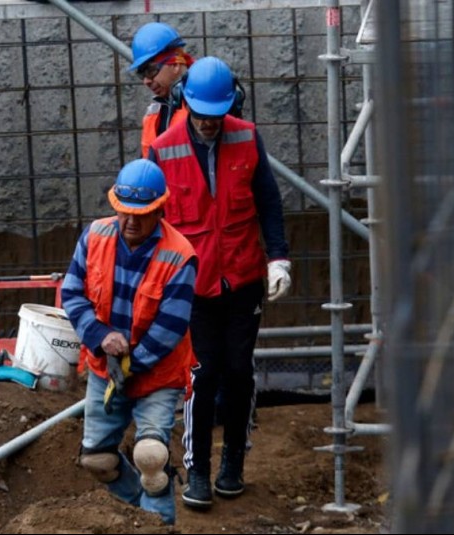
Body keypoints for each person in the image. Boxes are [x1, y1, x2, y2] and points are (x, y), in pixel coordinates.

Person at [147, 56, 292, 510]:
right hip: (192, 285)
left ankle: (233, 462)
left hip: (243, 276)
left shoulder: (247, 139)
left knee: (239, 372)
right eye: (201, 116)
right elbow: (151, 223)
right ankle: (198, 470)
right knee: (202, 374)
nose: (209, 125)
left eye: (216, 116)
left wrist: (279, 259)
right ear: (186, 104)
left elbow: (268, 201)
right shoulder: (164, 148)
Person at [60, 159, 198, 525]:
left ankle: (160, 523)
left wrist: (130, 366)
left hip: (157, 373)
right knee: (97, 459)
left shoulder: (179, 254)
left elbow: (171, 325)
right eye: (124, 212)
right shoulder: (94, 236)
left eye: (143, 213)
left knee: (151, 454)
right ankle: (142, 507)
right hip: (105, 368)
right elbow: (72, 293)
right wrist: (100, 336)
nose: (131, 221)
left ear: (160, 209)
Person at [128, 22, 195, 158]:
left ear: (175, 65)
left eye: (151, 70)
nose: (146, 81)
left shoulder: (202, 105)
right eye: (142, 74)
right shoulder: (154, 113)